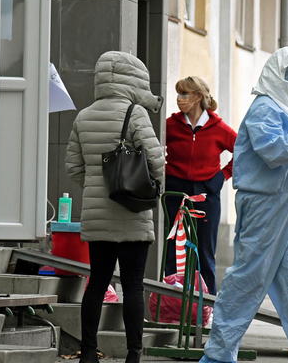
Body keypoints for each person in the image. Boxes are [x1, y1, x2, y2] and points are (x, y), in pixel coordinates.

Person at [200, 47, 288, 363]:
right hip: (265, 203)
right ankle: (218, 354)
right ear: (275, 75)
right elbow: (274, 151)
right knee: (249, 275)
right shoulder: (265, 109)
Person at [65, 51, 165, 363]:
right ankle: (134, 354)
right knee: (133, 285)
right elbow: (155, 159)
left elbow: (73, 167)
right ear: (133, 79)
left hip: (97, 215)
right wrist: (152, 189)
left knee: (97, 281)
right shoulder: (135, 113)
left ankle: (88, 353)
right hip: (133, 213)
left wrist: (96, 186)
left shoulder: (84, 115)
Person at [164, 76, 237, 295]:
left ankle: (207, 306)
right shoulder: (170, 125)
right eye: (178, 94)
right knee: (172, 249)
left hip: (206, 193)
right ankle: (172, 303)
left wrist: (223, 175)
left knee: (204, 251)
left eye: (184, 94)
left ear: (197, 97)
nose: (179, 99)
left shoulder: (219, 128)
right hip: (175, 190)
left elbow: (243, 152)